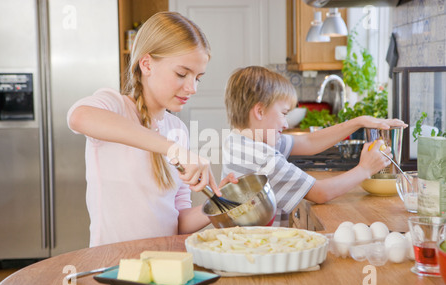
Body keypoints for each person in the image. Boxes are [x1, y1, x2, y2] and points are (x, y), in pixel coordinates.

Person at [67, 12, 231, 247]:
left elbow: (178, 222)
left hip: (165, 263)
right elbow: (79, 117)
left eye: (198, 78)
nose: (192, 87)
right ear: (146, 64)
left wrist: (218, 203)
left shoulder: (178, 129)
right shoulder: (116, 107)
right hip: (114, 265)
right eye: (182, 74)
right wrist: (172, 149)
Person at [221, 66, 407, 227]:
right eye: (284, 113)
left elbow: (308, 142)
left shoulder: (239, 139)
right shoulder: (262, 157)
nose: (286, 124)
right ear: (260, 111)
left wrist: (358, 122)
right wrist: (365, 169)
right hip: (258, 254)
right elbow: (321, 193)